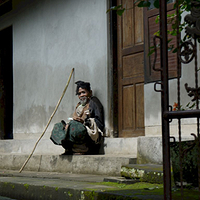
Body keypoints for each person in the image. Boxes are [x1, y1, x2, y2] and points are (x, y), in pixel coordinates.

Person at [61, 80, 104, 155]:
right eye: (79, 93)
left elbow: (99, 123)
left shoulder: (94, 102)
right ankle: (71, 149)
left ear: (90, 92)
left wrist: (86, 122)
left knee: (76, 128)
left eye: (83, 92)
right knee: (59, 127)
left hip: (89, 133)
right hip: (77, 127)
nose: (81, 95)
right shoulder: (79, 105)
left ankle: (83, 149)